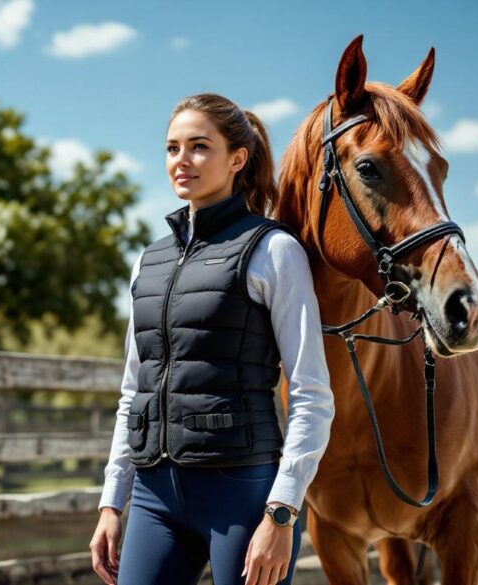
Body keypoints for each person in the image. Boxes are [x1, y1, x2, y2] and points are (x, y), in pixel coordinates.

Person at [89, 93, 335, 585]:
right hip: (155, 497)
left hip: (244, 494)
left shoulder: (274, 250)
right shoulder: (148, 262)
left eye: (199, 146)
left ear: (237, 158)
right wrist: (111, 502)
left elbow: (311, 393)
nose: (182, 160)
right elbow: (134, 390)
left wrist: (282, 513)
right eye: (172, 148)